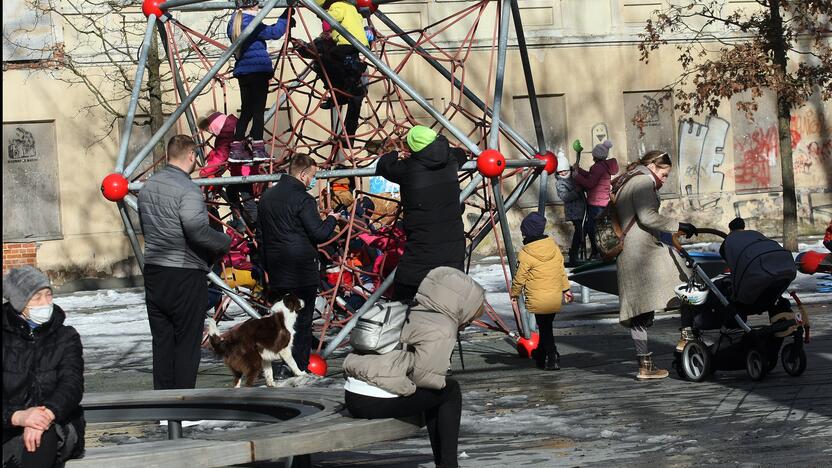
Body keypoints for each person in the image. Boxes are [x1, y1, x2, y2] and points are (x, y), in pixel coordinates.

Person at [343, 267, 485, 468]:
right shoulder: (441, 326)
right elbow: (427, 380)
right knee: (450, 391)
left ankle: (445, 464)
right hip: (374, 401)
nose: (468, 322)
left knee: (439, 393)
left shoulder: (412, 307)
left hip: (353, 394)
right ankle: (448, 464)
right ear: (463, 304)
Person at [138, 135, 231, 390]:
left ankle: (162, 405)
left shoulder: (148, 187)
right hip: (184, 273)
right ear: (191, 156)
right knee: (187, 343)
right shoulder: (188, 190)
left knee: (163, 342)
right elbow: (196, 230)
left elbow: (146, 226)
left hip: (155, 271)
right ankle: (183, 407)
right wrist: (224, 241)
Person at [613, 150, 696, 380]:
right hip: (643, 254)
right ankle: (687, 339)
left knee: (639, 311)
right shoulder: (642, 182)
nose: (664, 178)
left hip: (631, 253)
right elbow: (647, 217)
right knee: (689, 284)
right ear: (652, 166)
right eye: (664, 173)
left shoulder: (628, 179)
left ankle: (645, 365)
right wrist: (678, 224)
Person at [258, 153, 340, 372]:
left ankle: (276, 367)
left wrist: (267, 267)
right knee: (301, 324)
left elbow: (261, 238)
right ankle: (299, 368)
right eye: (312, 176)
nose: (312, 181)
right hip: (301, 270)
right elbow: (319, 233)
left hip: (277, 270)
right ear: (303, 174)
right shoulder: (303, 199)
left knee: (278, 323)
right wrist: (333, 218)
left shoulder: (267, 197)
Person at [3, 266, 85, 467]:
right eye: (37, 298)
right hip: (8, 424)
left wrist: (45, 415)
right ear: (18, 303)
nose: (46, 303)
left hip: (57, 421)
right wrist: (18, 416)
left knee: (41, 438)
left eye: (49, 295)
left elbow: (72, 384)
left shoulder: (66, 336)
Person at [376, 125, 468, 302]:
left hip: (422, 249)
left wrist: (395, 154)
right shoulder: (450, 160)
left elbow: (384, 165)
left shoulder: (408, 169)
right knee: (446, 301)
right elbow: (461, 154)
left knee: (403, 297)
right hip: (453, 248)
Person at [227, 0, 294, 162]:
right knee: (258, 111)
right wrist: (287, 15)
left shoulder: (234, 22)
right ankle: (258, 148)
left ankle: (236, 148)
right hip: (258, 70)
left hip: (243, 71)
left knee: (246, 111)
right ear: (252, 5)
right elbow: (274, 32)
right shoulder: (251, 21)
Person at [509, 212, 573, 370]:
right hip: (553, 296)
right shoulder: (553, 248)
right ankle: (540, 353)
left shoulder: (526, 253)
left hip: (537, 297)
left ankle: (553, 356)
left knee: (545, 328)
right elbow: (560, 270)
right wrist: (566, 289)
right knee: (546, 326)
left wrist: (514, 293)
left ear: (528, 232)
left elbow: (520, 277)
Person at [316, 0, 369, 143]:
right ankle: (348, 138)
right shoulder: (352, 8)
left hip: (349, 50)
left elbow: (328, 22)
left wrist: (323, 15)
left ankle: (338, 96)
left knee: (332, 57)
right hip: (359, 46)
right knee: (354, 101)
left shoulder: (336, 7)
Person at [198, 111, 260, 230]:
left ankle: (256, 225)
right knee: (232, 190)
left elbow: (221, 155)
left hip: (245, 172)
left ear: (212, 126)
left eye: (208, 130)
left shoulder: (226, 136)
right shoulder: (233, 127)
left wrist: (205, 171)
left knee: (248, 199)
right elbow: (220, 152)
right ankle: (241, 219)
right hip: (243, 170)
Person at [573, 140, 619, 259]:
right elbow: (591, 176)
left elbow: (590, 184)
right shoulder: (602, 167)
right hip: (600, 202)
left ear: (596, 155)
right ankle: (598, 251)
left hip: (596, 204)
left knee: (594, 229)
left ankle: (598, 251)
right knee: (593, 227)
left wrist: (577, 176)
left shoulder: (598, 168)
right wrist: (579, 170)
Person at [554, 153, 586, 266]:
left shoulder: (574, 177)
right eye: (560, 171)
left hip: (582, 209)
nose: (563, 173)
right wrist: (576, 191)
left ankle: (578, 251)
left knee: (583, 230)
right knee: (579, 231)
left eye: (565, 170)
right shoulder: (560, 183)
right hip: (574, 211)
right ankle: (573, 254)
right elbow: (565, 197)